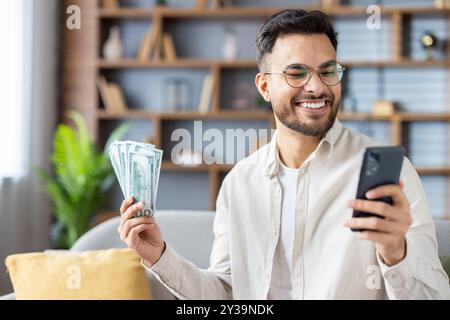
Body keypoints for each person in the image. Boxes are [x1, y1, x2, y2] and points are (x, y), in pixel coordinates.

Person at [117, 9, 450, 299]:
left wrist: (395, 252)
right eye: (296, 73)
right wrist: (160, 256)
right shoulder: (239, 184)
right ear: (264, 87)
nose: (316, 87)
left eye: (328, 70)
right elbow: (228, 295)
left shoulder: (390, 173)